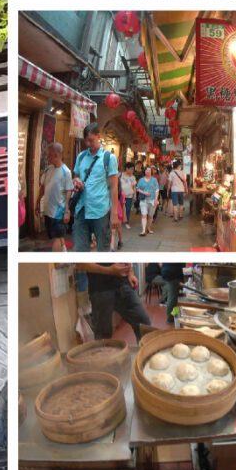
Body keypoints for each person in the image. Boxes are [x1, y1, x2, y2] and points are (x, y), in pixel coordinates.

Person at [70, 122, 120, 253]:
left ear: (99, 136)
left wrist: (114, 213)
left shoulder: (109, 158)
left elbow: (114, 187)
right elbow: (75, 175)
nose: (88, 144)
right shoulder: (81, 157)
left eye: (91, 140)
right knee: (80, 250)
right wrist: (76, 181)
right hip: (81, 209)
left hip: (100, 211)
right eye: (86, 141)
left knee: (103, 250)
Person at [76, 263, 150, 342]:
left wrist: (130, 273)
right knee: (103, 336)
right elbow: (81, 264)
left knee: (143, 323)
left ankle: (146, 353)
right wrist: (109, 270)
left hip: (123, 285)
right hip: (100, 289)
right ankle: (104, 354)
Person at [37, 142, 73, 252]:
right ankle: (64, 252)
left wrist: (66, 210)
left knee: (57, 238)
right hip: (48, 210)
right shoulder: (48, 169)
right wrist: (37, 203)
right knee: (56, 236)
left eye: (49, 155)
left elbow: (69, 191)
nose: (47, 157)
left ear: (56, 155)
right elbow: (42, 187)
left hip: (58, 212)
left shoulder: (66, 172)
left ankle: (55, 261)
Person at [136, 166, 160, 236]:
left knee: (150, 216)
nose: (148, 172)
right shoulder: (141, 180)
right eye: (147, 170)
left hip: (152, 200)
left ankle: (148, 228)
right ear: (145, 171)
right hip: (143, 200)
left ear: (151, 172)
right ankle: (143, 230)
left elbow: (157, 190)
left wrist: (156, 199)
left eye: (149, 171)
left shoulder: (154, 180)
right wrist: (144, 193)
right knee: (144, 215)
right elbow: (137, 189)